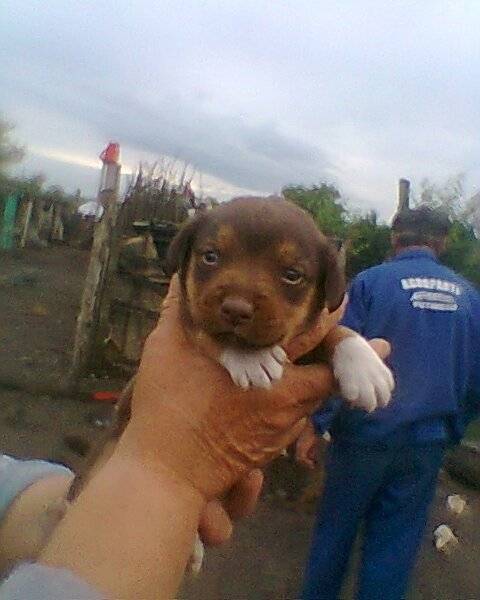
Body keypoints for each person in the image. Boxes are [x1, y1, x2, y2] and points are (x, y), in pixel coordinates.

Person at [0, 274, 390, 599]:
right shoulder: (193, 317)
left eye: (289, 275)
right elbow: (191, 337)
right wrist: (169, 480)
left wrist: (347, 346)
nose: (241, 297)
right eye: (211, 258)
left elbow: (321, 338)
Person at [296, 206, 480, 600]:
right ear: (443, 242)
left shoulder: (370, 283)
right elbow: (476, 380)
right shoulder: (470, 298)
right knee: (394, 547)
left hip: (363, 436)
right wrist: (450, 430)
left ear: (395, 237)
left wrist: (316, 424)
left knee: (334, 536)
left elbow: (338, 355)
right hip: (426, 444)